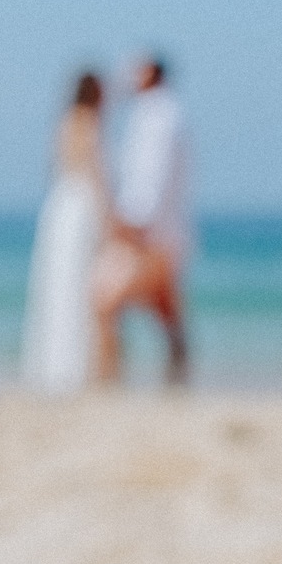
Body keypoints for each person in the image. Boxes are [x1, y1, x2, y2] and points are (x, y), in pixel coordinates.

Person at [93, 57, 192, 385]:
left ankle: (110, 379)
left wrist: (134, 222)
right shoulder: (166, 113)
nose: (132, 75)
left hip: (148, 230)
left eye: (139, 70)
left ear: (152, 74)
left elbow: (152, 175)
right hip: (164, 229)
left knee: (105, 301)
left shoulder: (156, 117)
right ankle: (176, 375)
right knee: (164, 306)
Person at [20, 71, 111, 393]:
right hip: (81, 208)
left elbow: (55, 168)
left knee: (57, 287)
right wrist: (108, 218)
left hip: (59, 206)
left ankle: (55, 369)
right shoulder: (89, 123)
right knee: (79, 288)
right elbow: (96, 174)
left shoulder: (64, 123)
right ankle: (75, 370)